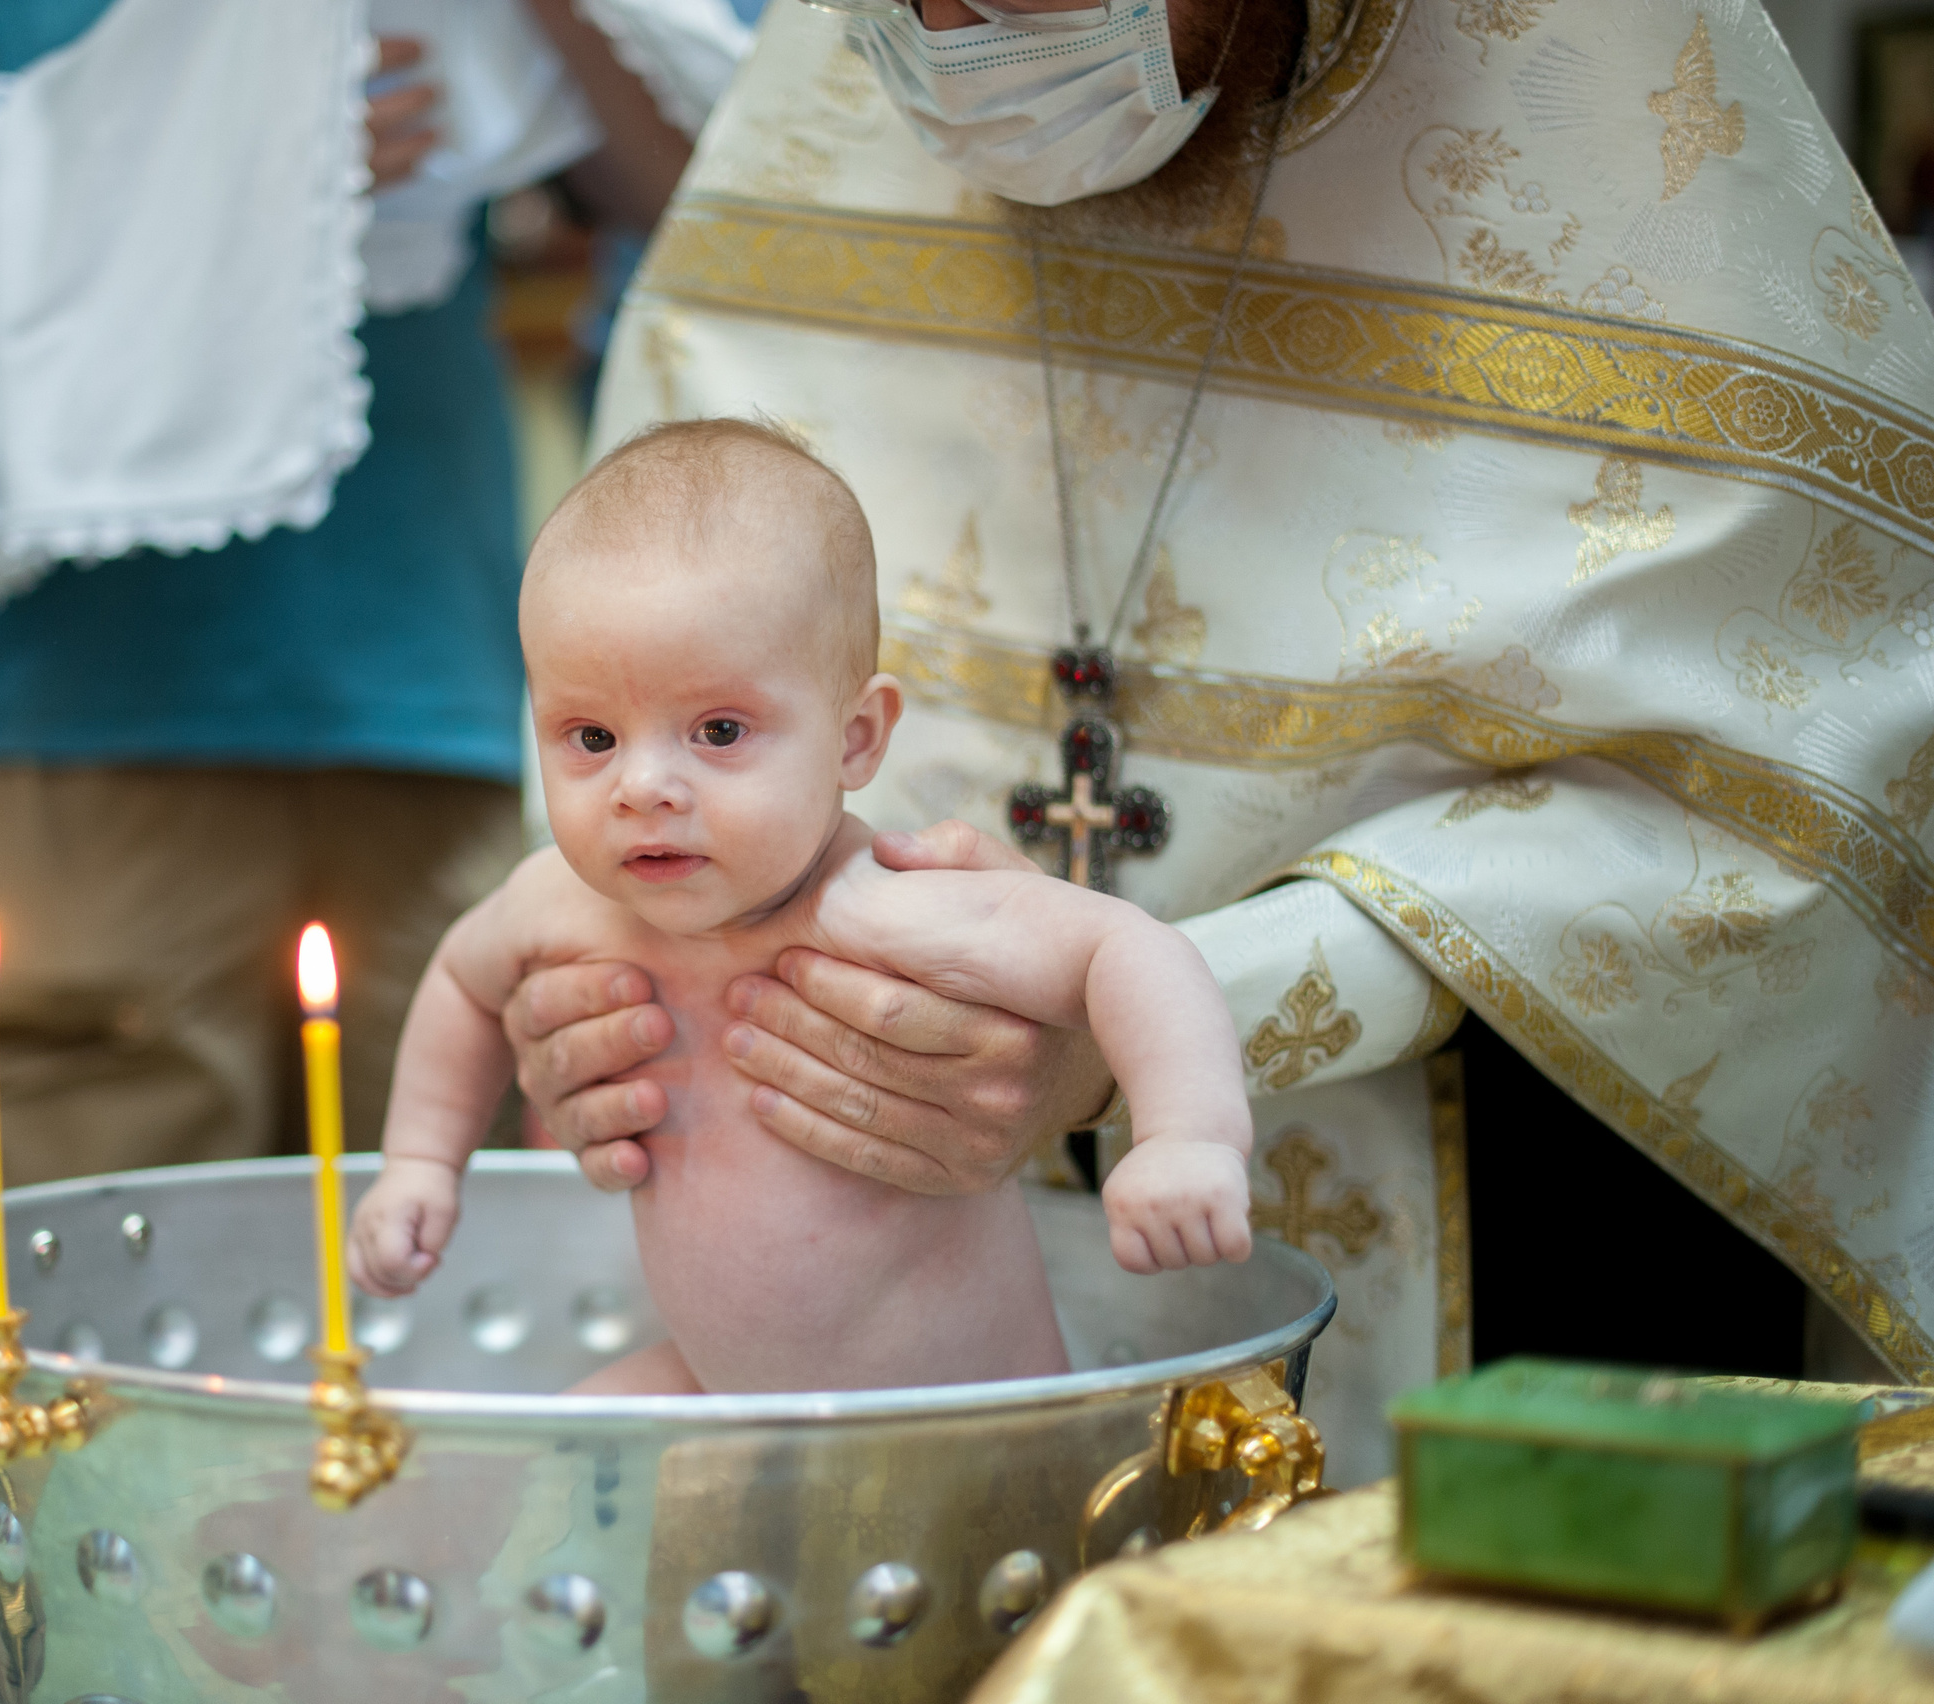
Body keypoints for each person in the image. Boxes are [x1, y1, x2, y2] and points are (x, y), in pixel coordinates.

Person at [514, 0, 1934, 1475]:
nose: (958, 32)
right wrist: (615, 1002)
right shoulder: (838, 120)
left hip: (1519, 1250)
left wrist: (1179, 1024)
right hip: (877, 1360)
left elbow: (1782, 798)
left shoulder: (1616, 138)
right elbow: (617, 685)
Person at [0, 0, 694, 1211]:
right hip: (61, 735)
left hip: (437, 710)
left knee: (450, 1331)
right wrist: (196, 166)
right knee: (76, 1351)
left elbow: (722, 193)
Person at [348, 419, 1252, 1393]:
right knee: (549, 1458)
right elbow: (461, 977)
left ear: (855, 739)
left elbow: (1126, 950)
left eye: (719, 730)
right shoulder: (560, 906)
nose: (642, 785)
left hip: (950, 1415)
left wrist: (1186, 1135)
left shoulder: (886, 909)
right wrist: (419, 1164)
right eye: (591, 735)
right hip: (725, 1388)